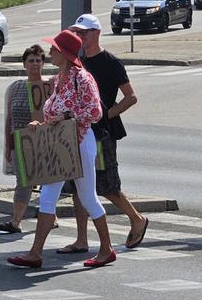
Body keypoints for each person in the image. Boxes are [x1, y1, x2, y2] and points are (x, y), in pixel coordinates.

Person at [8, 30, 116, 269]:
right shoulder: (60, 78)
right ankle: (35, 253)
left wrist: (66, 115)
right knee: (47, 197)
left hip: (78, 143)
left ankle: (107, 249)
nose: (50, 52)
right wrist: (43, 124)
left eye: (54, 49)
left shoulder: (83, 78)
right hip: (59, 145)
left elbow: (96, 113)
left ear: (66, 54)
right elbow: (54, 113)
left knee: (88, 197)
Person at [59, 14, 149, 253]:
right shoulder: (76, 61)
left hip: (102, 133)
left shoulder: (110, 62)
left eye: (84, 32)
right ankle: (81, 239)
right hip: (77, 131)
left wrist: (106, 114)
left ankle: (137, 218)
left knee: (107, 186)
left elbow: (131, 97)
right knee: (77, 186)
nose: (80, 36)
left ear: (96, 33)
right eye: (77, 33)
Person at [0, 45, 54, 234]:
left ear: (43, 64)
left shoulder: (50, 87)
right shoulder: (16, 87)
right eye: (31, 60)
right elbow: (9, 119)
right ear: (24, 64)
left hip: (45, 141)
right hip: (21, 143)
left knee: (49, 181)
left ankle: (51, 217)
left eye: (38, 60)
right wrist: (8, 147)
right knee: (23, 181)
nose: (35, 64)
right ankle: (16, 221)